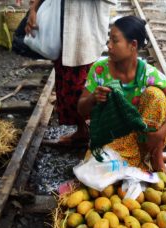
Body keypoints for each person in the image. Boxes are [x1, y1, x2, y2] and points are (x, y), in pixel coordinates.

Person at [78, 16, 166, 179]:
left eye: (114, 41)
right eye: (109, 39)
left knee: (156, 95)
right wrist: (93, 98)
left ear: (133, 45)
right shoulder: (100, 70)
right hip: (111, 137)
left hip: (143, 138)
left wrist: (158, 136)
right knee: (98, 170)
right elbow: (81, 109)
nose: (108, 46)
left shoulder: (148, 74)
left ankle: (156, 157)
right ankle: (147, 158)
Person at [26, 0, 115, 146]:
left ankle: (91, 129)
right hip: (59, 30)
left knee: (82, 85)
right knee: (65, 83)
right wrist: (33, 9)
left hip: (83, 30)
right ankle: (82, 130)